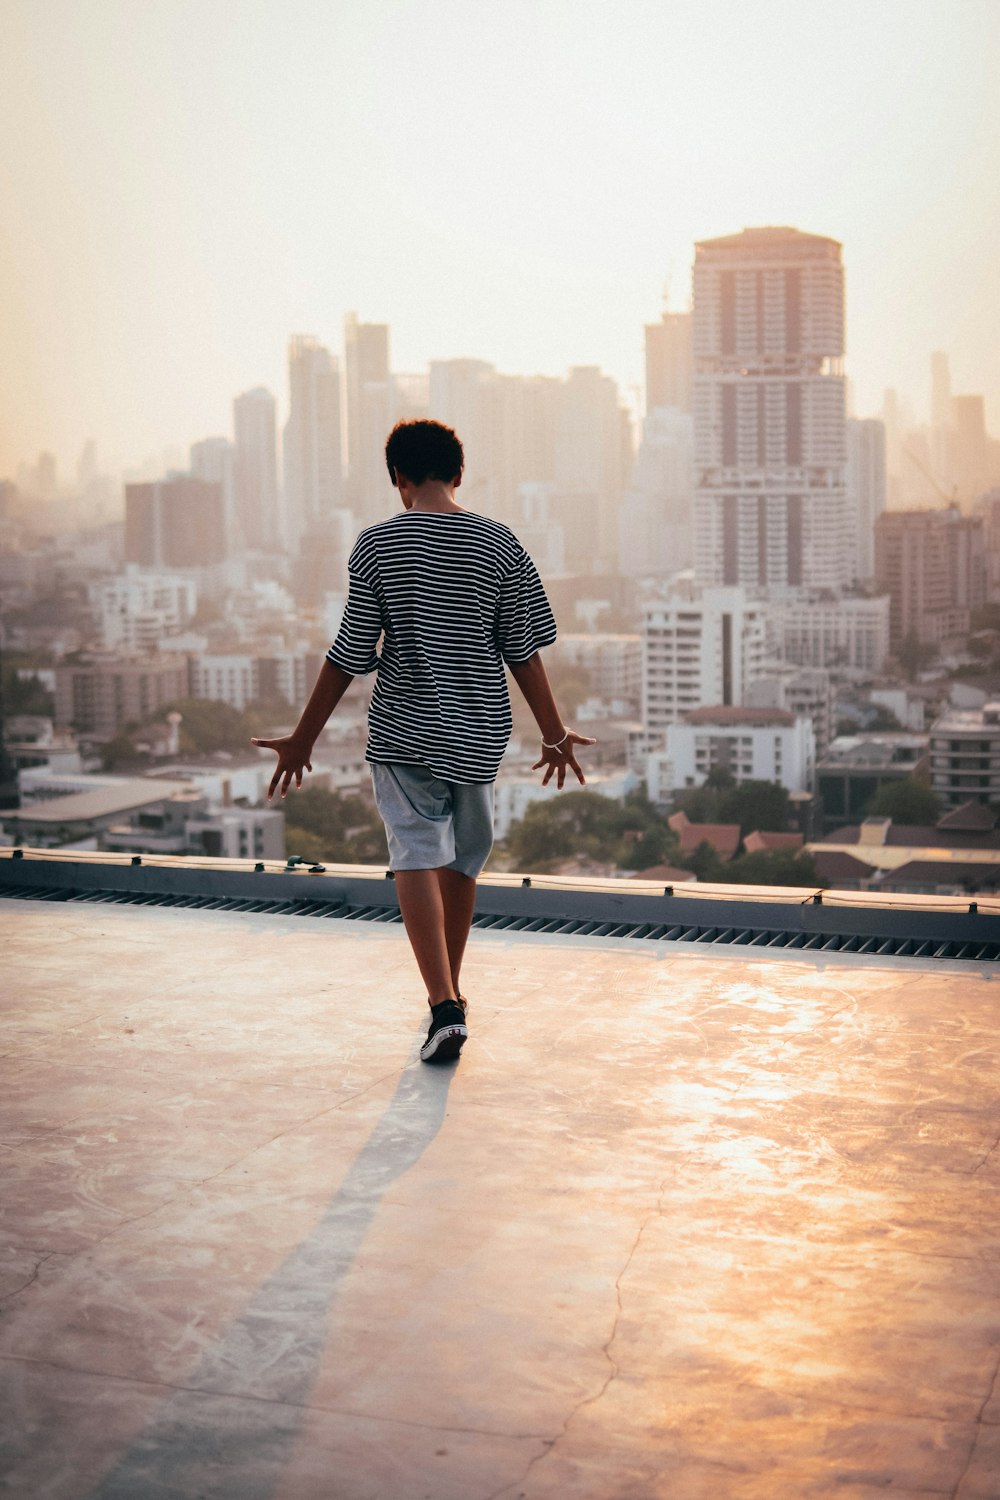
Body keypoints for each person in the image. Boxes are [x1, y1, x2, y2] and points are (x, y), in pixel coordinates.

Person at [252, 419, 594, 1063]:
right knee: (464, 859)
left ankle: (442, 1002)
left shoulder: (377, 544)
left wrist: (303, 738)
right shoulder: (501, 544)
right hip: (478, 734)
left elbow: (350, 652)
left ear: (398, 480)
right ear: (458, 474)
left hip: (404, 732)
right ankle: (451, 999)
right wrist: (553, 732)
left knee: (414, 852)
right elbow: (522, 651)